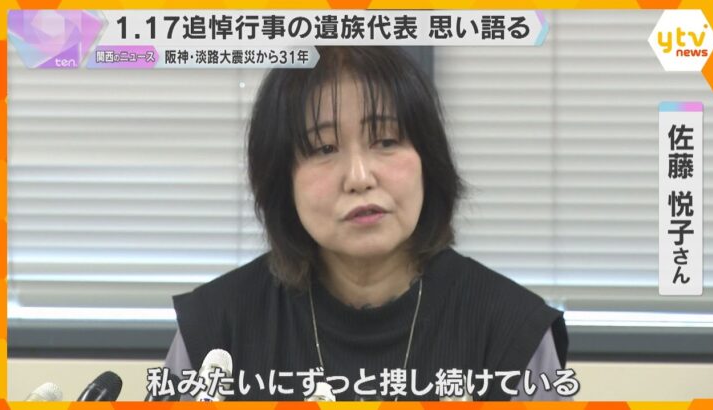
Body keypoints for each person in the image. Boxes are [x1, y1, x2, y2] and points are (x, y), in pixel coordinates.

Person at [165, 46, 569, 401]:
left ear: (428, 160)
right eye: (324, 148)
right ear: (281, 178)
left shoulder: (511, 331)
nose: (359, 177)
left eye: (386, 141)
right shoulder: (215, 329)